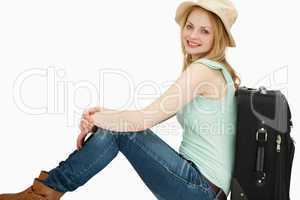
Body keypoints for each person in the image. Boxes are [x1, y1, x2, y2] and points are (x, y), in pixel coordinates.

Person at [0, 0, 241, 199]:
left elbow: (142, 121)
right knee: (120, 129)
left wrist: (100, 119)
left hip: (201, 190)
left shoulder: (203, 71)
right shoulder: (215, 72)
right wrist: (104, 117)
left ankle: (42, 194)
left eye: (204, 30)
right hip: (199, 185)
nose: (193, 35)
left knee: (122, 131)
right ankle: (43, 192)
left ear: (217, 37)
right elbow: (152, 115)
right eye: (190, 26)